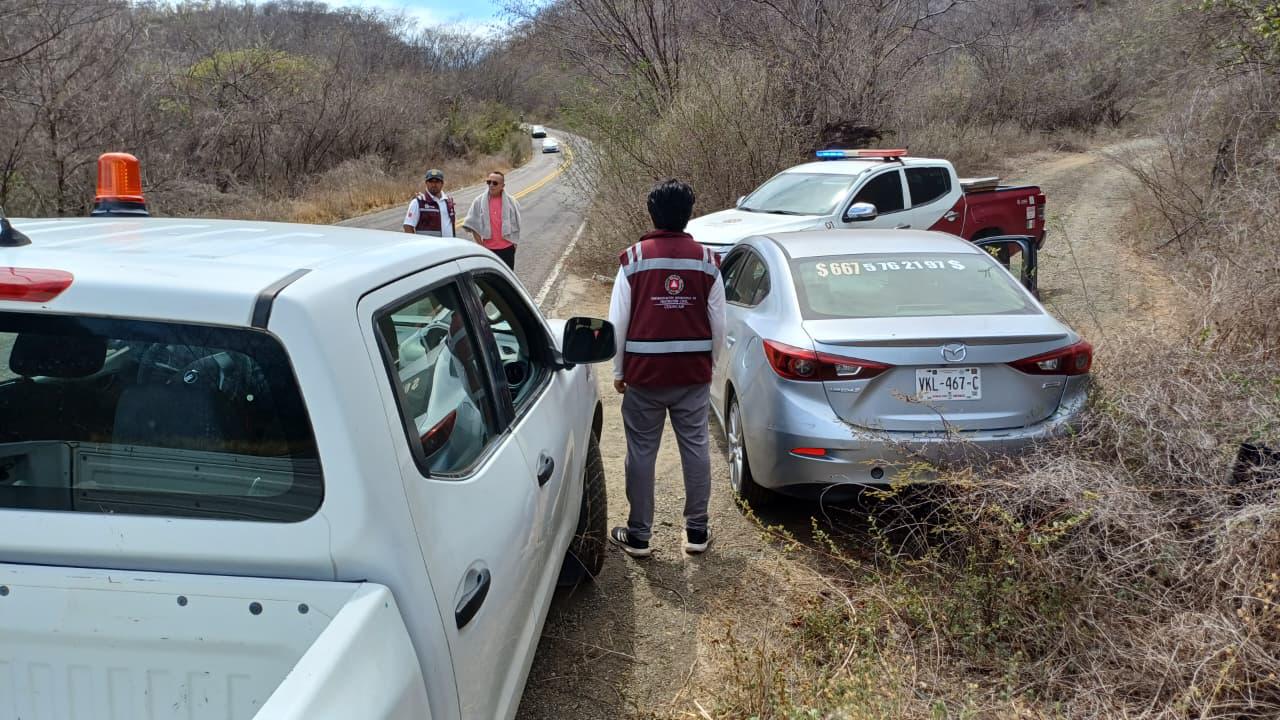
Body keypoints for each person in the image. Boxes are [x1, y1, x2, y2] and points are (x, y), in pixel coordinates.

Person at [607, 179, 726, 558]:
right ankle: (697, 531)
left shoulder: (634, 259)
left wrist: (618, 371)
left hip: (644, 376)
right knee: (696, 448)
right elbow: (719, 323)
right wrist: (712, 364)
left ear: (651, 213)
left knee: (641, 452)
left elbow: (617, 323)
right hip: (691, 375)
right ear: (688, 215)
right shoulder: (708, 261)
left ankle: (639, 535)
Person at [461, 171, 522, 270]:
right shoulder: (479, 201)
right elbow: (472, 225)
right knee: (490, 282)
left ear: (503, 185)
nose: (491, 185)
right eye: (489, 182)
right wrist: (481, 247)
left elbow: (516, 224)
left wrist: (514, 244)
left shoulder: (511, 202)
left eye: (495, 183)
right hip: (488, 249)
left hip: (507, 249)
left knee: (507, 281)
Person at [402, 169, 456, 237]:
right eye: (431, 181)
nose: (433, 185)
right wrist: (415, 245)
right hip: (429, 247)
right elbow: (408, 226)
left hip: (448, 246)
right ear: (426, 183)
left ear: (442, 183)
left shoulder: (448, 201)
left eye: (437, 181)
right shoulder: (418, 202)